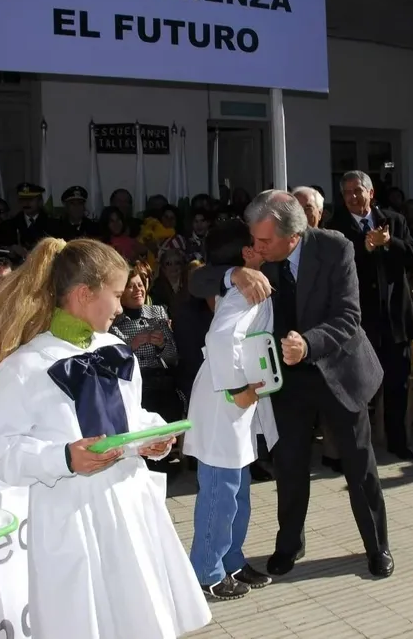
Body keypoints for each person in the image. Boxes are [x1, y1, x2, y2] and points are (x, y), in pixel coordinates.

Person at [0, 238, 211, 639]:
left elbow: (131, 416)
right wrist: (63, 457)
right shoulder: (24, 366)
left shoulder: (117, 349)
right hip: (70, 517)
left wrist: (152, 437)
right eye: (115, 294)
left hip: (128, 505)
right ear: (83, 294)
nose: (120, 306)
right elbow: (1, 453)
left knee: (141, 615)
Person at [189, 190, 392, 579]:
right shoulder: (259, 252)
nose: (256, 247)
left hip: (337, 369)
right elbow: (198, 280)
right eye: (254, 239)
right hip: (286, 380)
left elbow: (348, 316)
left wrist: (308, 343)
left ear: (293, 236)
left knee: (358, 464)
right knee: (290, 465)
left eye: (264, 241)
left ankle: (377, 546)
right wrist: (235, 274)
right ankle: (289, 545)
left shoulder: (335, 248)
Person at [184, 219, 277, 600]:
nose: (265, 244)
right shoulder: (244, 290)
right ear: (247, 252)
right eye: (258, 241)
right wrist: (238, 388)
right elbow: (221, 337)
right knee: (220, 492)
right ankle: (207, 570)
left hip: (235, 403)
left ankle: (231, 560)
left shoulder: (249, 284)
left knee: (237, 491)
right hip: (226, 399)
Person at [326, 171, 413, 459]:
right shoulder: (336, 227)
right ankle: (357, 448)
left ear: (371, 192)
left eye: (358, 191)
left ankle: (397, 440)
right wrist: (364, 248)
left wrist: (389, 243)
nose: (353, 197)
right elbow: (334, 270)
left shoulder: (394, 220)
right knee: (357, 388)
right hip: (359, 323)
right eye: (347, 193)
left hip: (394, 319)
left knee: (397, 384)